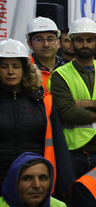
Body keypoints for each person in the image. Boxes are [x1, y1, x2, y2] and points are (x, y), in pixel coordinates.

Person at [0, 40, 74, 195]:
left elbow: (59, 144)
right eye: (4, 66)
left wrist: (66, 183)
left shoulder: (43, 101)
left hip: (37, 183)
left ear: (25, 69)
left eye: (16, 66)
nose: (10, 71)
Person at [49, 18, 96, 178]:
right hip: (73, 153)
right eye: (79, 40)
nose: (85, 44)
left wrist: (87, 104)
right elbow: (67, 112)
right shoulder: (60, 75)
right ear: (71, 43)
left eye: (89, 40)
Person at [27, 17, 64, 90]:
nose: (46, 44)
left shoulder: (68, 69)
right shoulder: (23, 70)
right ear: (29, 44)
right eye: (39, 40)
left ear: (58, 43)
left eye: (50, 39)